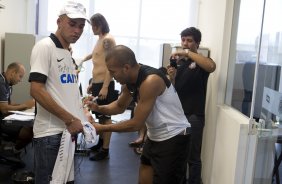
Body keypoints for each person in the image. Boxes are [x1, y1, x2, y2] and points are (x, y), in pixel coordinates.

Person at [85, 45, 191, 184]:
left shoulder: (150, 81)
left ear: (126, 67)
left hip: (174, 136)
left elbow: (136, 124)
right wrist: (97, 107)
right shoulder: (131, 80)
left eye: (112, 72)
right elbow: (119, 106)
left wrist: (102, 128)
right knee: (145, 170)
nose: (111, 76)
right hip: (156, 136)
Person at [28, 1, 89, 183]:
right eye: (72, 24)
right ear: (59, 22)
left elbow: (67, 93)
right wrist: (70, 119)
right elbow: (36, 90)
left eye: (81, 26)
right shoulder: (45, 46)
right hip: (50, 134)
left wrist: (82, 115)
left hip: (67, 132)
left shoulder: (67, 53)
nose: (77, 30)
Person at [167, 27, 216, 184]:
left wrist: (187, 53)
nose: (185, 43)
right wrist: (172, 78)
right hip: (179, 115)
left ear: (197, 43)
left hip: (194, 116)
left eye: (189, 40)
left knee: (193, 158)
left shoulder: (201, 63)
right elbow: (174, 90)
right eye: (183, 40)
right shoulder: (180, 63)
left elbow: (211, 67)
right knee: (179, 155)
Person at [82, 13, 117, 161]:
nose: (92, 29)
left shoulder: (108, 39)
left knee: (106, 117)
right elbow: (96, 56)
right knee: (101, 117)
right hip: (97, 83)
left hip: (105, 85)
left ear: (100, 25)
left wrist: (105, 87)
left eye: (94, 26)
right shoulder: (100, 40)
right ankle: (101, 143)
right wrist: (92, 83)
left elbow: (111, 64)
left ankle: (105, 150)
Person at [0, 62, 34, 154]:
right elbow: (4, 109)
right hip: (2, 120)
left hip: (4, 118)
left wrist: (24, 106)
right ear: (12, 73)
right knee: (29, 133)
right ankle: (10, 151)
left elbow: (9, 105)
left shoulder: (8, 84)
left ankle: (11, 150)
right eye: (20, 76)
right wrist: (25, 105)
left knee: (31, 128)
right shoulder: (1, 83)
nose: (20, 80)